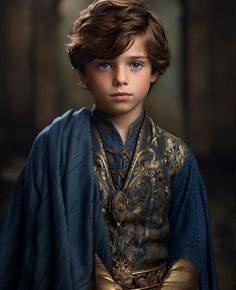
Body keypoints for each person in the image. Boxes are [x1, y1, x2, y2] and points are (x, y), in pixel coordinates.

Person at [0, 0, 218, 289]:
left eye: (135, 64)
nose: (120, 78)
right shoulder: (55, 147)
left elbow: (191, 243)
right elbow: (26, 242)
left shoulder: (176, 156)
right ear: (82, 73)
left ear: (154, 70)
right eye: (104, 64)